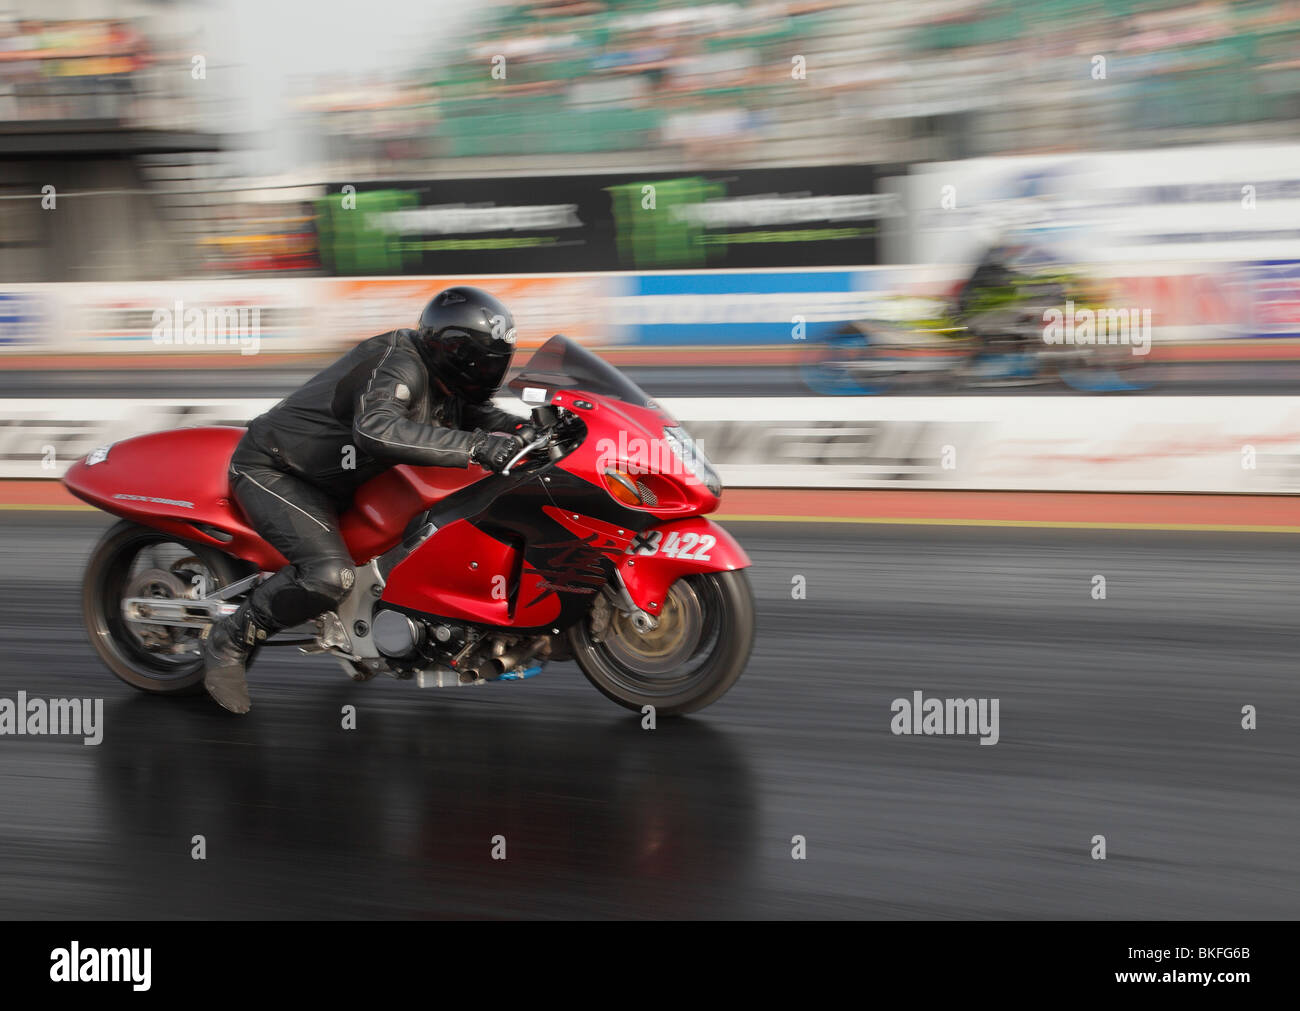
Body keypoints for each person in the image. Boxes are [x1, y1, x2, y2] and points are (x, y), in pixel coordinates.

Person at [202, 286, 531, 714]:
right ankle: (229, 640)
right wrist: (479, 447)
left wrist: (537, 428)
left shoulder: (448, 382)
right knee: (326, 575)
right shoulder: (400, 363)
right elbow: (376, 429)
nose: (492, 370)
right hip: (278, 470)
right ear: (457, 352)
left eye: (498, 360)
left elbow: (483, 417)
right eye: (485, 360)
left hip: (339, 481)